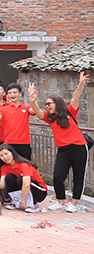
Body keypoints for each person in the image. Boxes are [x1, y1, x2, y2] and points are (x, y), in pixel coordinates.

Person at [27, 73, 90, 213]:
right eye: (46, 104)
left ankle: (74, 203)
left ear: (57, 103)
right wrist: (32, 100)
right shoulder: (50, 118)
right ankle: (61, 202)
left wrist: (80, 85)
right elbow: (37, 111)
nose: (47, 106)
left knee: (78, 177)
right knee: (57, 177)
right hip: (63, 150)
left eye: (50, 103)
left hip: (79, 148)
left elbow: (75, 97)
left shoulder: (70, 111)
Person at [0, 144, 47, 213]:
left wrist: (22, 201)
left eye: (6, 153)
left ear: (12, 153)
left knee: (20, 179)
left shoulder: (24, 165)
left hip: (40, 191)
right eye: (1, 155)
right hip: (25, 187)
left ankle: (33, 203)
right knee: (9, 177)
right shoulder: (4, 167)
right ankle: (15, 201)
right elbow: (2, 185)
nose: (5, 157)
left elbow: (26, 184)